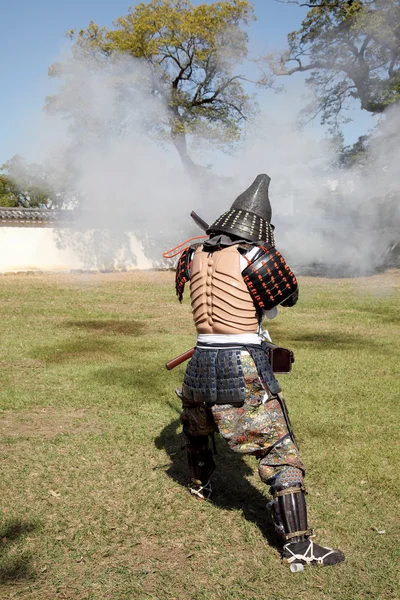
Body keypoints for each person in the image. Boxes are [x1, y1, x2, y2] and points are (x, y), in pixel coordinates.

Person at [174, 174, 345, 567]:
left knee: (198, 427)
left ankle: (200, 484)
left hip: (200, 359)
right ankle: (298, 546)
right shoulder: (257, 257)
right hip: (241, 359)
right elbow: (287, 299)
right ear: (258, 230)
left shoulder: (194, 256)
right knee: (280, 451)